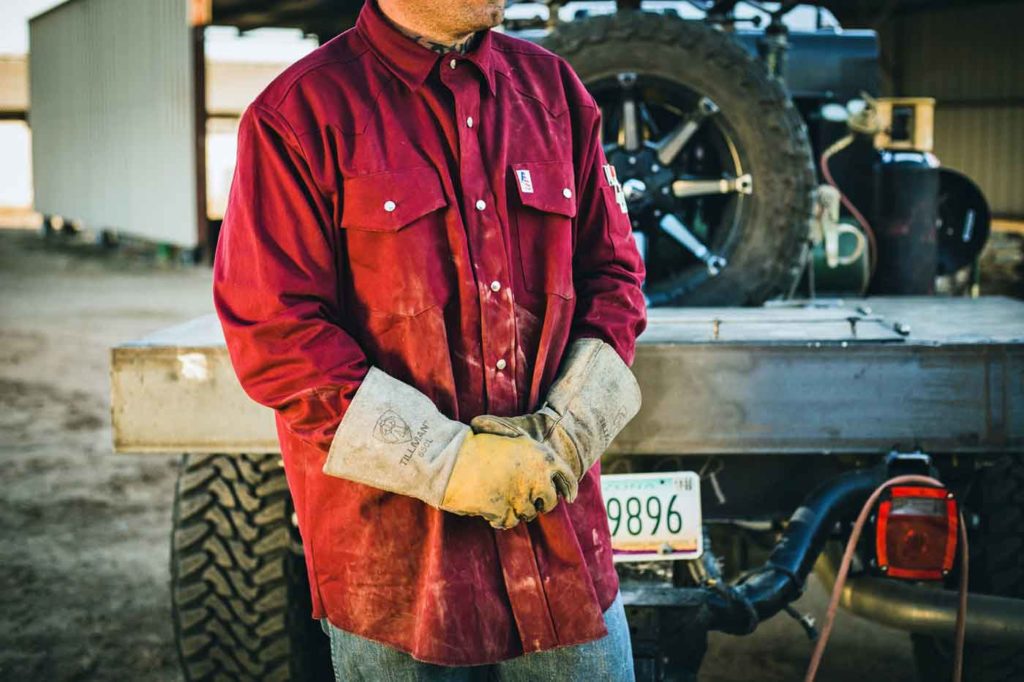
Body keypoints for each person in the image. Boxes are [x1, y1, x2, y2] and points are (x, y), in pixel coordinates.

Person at [213, 0, 647, 678]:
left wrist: (564, 439)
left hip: (559, 552)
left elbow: (615, 278)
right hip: (395, 576)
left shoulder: (556, 94)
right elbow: (276, 333)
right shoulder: (299, 115)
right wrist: (449, 463)